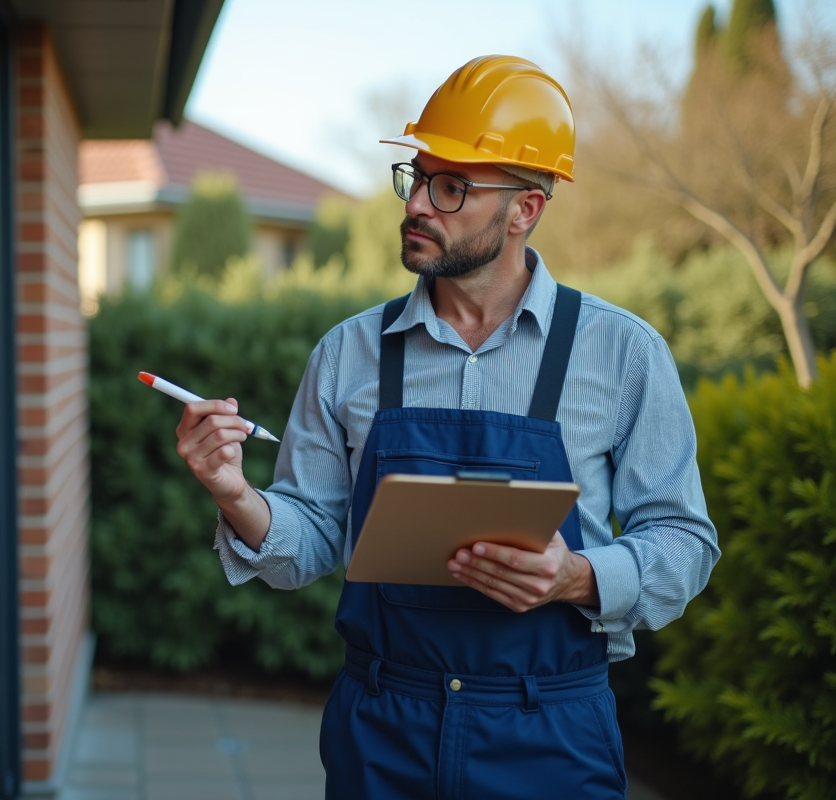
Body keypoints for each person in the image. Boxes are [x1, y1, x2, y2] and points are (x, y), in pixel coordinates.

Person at [172, 55, 718, 799]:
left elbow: (684, 540)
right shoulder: (349, 354)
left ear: (525, 209)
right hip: (383, 730)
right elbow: (310, 541)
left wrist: (578, 577)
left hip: (550, 731)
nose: (418, 203)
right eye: (418, 176)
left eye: (451, 186)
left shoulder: (622, 354)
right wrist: (234, 491)